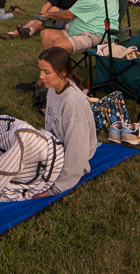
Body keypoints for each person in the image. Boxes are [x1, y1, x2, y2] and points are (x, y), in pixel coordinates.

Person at [27, 48, 98, 195]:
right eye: (41, 71)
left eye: (46, 72)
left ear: (62, 72)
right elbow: (50, 126)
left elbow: (76, 154)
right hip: (53, 148)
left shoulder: (72, 103)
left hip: (66, 159)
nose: (41, 76)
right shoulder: (53, 88)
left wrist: (53, 190)